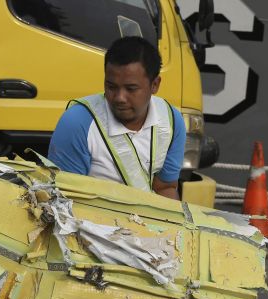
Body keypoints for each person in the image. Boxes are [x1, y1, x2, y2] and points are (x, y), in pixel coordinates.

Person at [48, 36, 186, 199]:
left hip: (147, 223)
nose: (120, 97)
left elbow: (165, 188)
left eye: (131, 88)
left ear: (155, 85)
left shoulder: (172, 120)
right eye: (111, 86)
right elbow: (65, 198)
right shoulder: (76, 122)